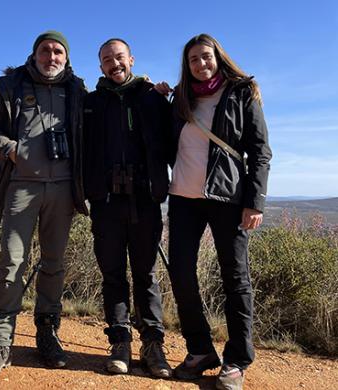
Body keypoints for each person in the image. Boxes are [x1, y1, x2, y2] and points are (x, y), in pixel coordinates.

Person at [0, 31, 88, 378]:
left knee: (53, 264)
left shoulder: (77, 90)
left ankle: (47, 334)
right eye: (45, 51)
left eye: (57, 52)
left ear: (66, 58)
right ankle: (0, 342)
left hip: (63, 189)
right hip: (21, 187)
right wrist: (8, 148)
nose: (51, 57)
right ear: (34, 54)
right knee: (11, 262)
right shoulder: (11, 86)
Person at [168, 34, 271, 390]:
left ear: (218, 57)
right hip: (182, 198)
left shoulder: (242, 92)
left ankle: (237, 359)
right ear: (187, 64)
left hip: (227, 198)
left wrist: (254, 201)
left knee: (235, 278)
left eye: (206, 57)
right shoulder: (180, 98)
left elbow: (260, 151)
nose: (201, 64)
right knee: (180, 271)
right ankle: (200, 350)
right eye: (194, 59)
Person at [83, 38, 172, 378]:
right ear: (100, 66)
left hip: (145, 201)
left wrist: (166, 94)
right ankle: (120, 342)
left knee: (146, 275)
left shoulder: (152, 98)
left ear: (131, 59)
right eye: (107, 59)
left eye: (119, 57)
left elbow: (176, 137)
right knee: (113, 276)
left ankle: (153, 345)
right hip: (105, 203)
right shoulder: (90, 103)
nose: (114, 64)